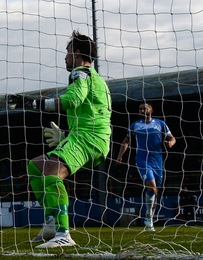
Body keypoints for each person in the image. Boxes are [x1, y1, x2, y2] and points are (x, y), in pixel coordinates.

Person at [20, 31, 112, 248]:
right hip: (91, 139)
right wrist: (67, 135)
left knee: (52, 172)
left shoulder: (81, 73)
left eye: (68, 52)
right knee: (36, 166)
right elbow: (93, 112)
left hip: (88, 139)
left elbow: (73, 99)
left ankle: (63, 234)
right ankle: (52, 221)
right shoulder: (98, 79)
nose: (65, 57)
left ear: (78, 53)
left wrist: (33, 104)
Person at [115, 102, 176, 231]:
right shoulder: (135, 125)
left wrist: (170, 143)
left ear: (151, 110)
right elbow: (126, 141)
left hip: (157, 162)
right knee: (152, 186)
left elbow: (172, 138)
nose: (142, 110)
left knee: (154, 190)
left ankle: (150, 217)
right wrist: (120, 155)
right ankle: (148, 218)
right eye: (140, 109)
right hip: (142, 160)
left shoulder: (160, 124)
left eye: (144, 108)